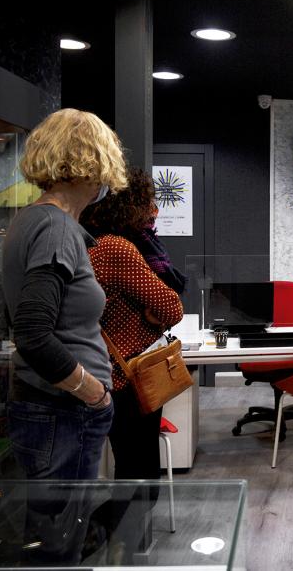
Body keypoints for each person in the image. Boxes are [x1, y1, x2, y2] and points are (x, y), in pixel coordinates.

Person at [2, 108, 127, 480]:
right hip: (63, 409)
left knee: (53, 514)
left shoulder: (33, 219)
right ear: (94, 162)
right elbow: (32, 333)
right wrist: (94, 393)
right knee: (64, 515)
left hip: (50, 406)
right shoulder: (55, 228)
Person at [80, 167, 185, 479]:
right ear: (129, 204)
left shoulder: (89, 243)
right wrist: (152, 314)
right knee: (141, 474)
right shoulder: (116, 248)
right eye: (146, 201)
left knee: (129, 466)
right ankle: (124, 514)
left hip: (105, 371)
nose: (153, 210)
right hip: (129, 377)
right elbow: (172, 308)